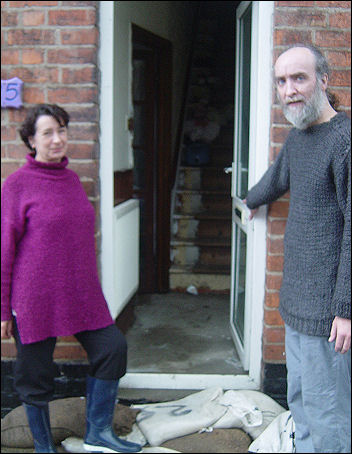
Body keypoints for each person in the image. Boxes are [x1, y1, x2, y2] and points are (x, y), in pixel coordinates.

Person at [1, 104, 142, 453]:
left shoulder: (72, 179)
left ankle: (98, 432)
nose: (57, 139)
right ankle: (43, 447)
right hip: (34, 297)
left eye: (62, 130)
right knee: (34, 376)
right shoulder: (17, 186)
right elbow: (4, 250)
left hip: (79, 292)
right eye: (48, 132)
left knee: (112, 348)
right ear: (31, 140)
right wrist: (3, 309)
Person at [244, 44, 350, 453]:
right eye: (282, 81)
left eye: (299, 78)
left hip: (330, 318)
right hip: (295, 307)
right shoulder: (299, 137)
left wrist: (345, 308)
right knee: (301, 406)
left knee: (331, 421)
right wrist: (249, 200)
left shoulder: (345, 143)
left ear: (324, 80)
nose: (289, 89)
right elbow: (277, 178)